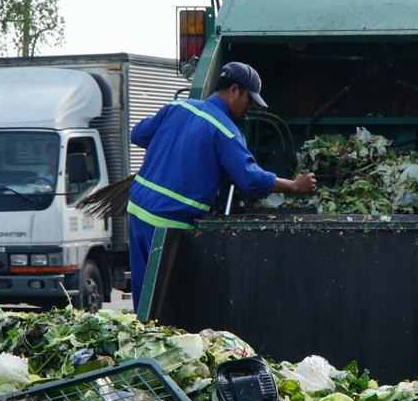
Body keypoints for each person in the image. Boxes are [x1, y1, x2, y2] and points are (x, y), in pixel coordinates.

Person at [126, 62, 316, 308]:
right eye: (250, 99)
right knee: (164, 306)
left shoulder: (177, 107)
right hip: (167, 225)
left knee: (143, 300)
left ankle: (139, 343)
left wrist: (172, 147)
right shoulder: (226, 132)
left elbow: (138, 135)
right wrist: (294, 186)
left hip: (137, 211)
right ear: (234, 90)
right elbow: (250, 178)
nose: (251, 107)